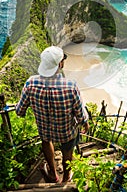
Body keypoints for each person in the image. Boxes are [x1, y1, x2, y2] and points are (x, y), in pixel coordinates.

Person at [16, 46, 89, 183]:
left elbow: (20, 111)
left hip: (45, 131)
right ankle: (66, 177)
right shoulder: (70, 86)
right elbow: (80, 115)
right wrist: (85, 122)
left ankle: (53, 174)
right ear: (60, 64)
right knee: (68, 148)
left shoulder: (30, 83)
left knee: (46, 141)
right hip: (66, 132)